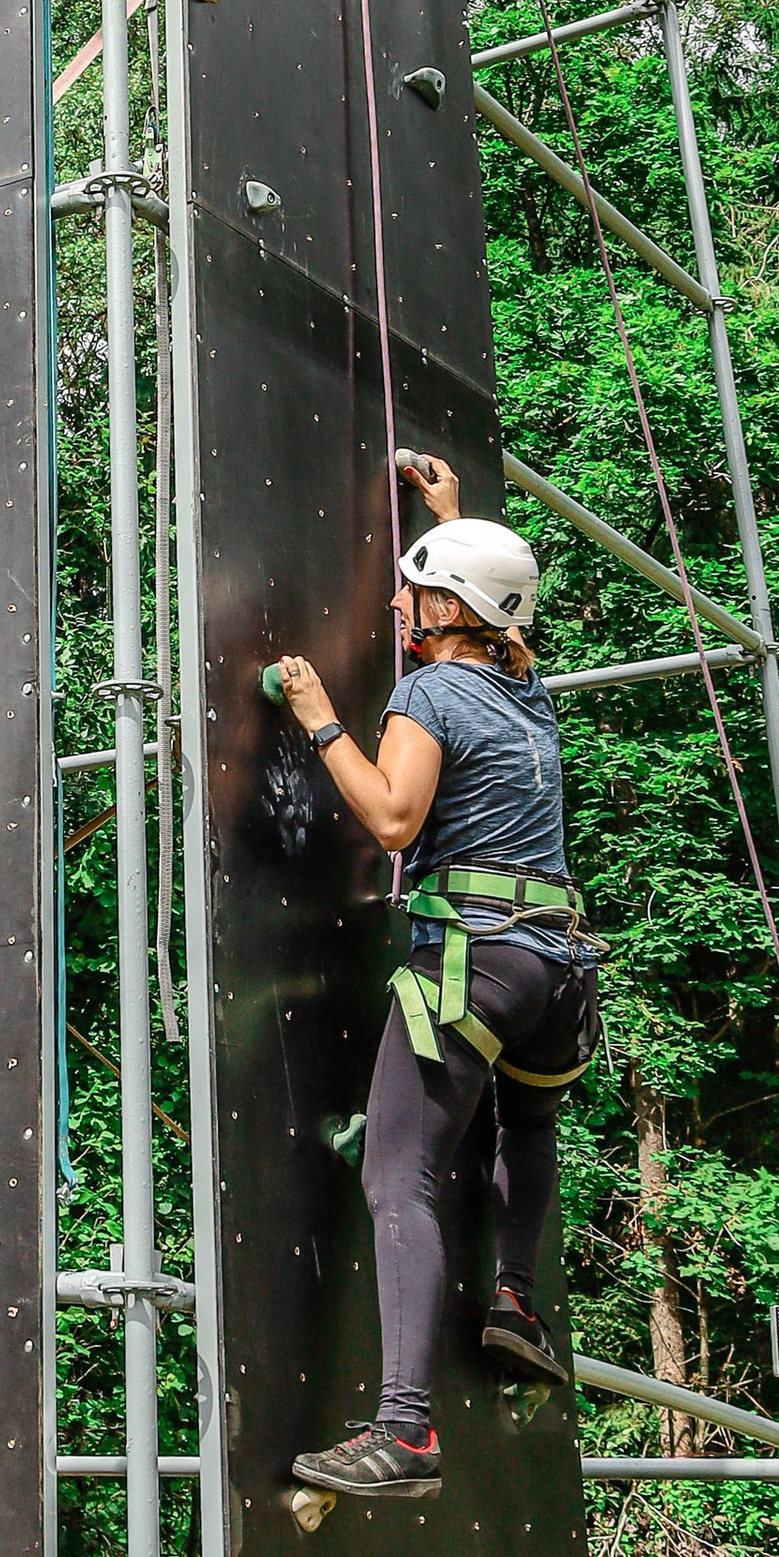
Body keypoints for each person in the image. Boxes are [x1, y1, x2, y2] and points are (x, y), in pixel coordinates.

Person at [269, 450, 600, 1500]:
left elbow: (393, 818)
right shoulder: (525, 691)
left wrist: (318, 714)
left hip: (477, 960)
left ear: (448, 605)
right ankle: (514, 1298)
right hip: (557, 974)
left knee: (395, 1177)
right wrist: (450, 518)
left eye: (417, 589)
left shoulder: (429, 692)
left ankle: (405, 1432)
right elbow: (504, 614)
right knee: (528, 1123)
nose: (402, 603)